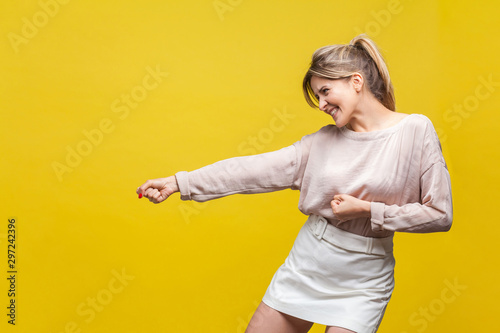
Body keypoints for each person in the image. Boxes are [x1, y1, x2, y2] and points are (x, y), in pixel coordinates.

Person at [136, 34, 453, 333]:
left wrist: (368, 210)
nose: (321, 104)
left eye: (325, 91)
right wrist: (180, 182)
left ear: (356, 82)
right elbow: (251, 170)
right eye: (317, 96)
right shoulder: (320, 143)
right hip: (309, 262)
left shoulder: (415, 130)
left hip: (365, 277)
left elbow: (440, 214)